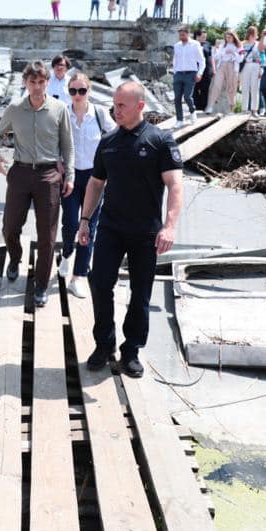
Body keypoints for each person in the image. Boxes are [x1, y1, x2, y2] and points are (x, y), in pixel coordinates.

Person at [77, 81, 184, 378]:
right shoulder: (108, 141)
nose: (116, 110)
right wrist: (85, 220)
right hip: (111, 227)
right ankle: (104, 344)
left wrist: (170, 226)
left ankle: (131, 350)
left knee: (140, 293)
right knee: (99, 284)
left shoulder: (160, 140)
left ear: (140, 106)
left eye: (122, 105)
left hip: (146, 232)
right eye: (114, 104)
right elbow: (96, 183)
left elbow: (175, 185)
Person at [0, 61, 74, 308]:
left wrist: (69, 175)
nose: (36, 87)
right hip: (20, 173)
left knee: (47, 235)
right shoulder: (15, 109)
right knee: (10, 226)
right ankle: (15, 259)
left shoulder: (59, 109)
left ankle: (40, 285)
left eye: (41, 82)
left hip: (48, 176)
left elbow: (68, 146)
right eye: (32, 82)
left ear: (48, 82)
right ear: (25, 82)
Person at [58, 73, 115, 299]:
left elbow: (115, 137)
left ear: (89, 91)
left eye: (82, 91)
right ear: (68, 92)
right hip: (70, 176)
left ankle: (79, 276)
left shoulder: (99, 114)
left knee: (89, 226)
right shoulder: (63, 113)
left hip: (95, 177)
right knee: (71, 222)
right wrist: (57, 161)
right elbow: (53, 139)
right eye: (73, 91)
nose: (78, 96)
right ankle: (66, 253)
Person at [171, 26, 205, 128]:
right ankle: (179, 120)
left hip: (191, 74)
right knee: (177, 98)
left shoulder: (195, 44)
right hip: (178, 74)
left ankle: (192, 110)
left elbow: (202, 60)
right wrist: (175, 71)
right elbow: (175, 59)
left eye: (183, 34)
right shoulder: (177, 45)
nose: (181, 36)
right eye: (180, 34)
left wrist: (199, 73)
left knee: (187, 96)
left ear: (188, 34)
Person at [206, 31, 241, 114]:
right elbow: (216, 56)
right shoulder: (223, 46)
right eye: (226, 37)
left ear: (234, 37)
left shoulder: (239, 46)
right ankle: (210, 106)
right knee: (216, 85)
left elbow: (241, 59)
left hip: (232, 66)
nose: (227, 39)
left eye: (229, 37)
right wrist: (216, 50)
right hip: (222, 66)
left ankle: (231, 109)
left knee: (231, 87)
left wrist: (233, 53)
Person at [239, 26, 262, 114]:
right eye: (254, 33)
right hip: (245, 65)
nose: (255, 35)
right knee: (245, 88)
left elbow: (262, 57)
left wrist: (261, 69)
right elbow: (239, 55)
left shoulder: (258, 44)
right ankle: (244, 109)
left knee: (255, 88)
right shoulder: (242, 43)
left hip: (256, 66)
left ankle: (254, 110)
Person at [193, 29, 214, 112]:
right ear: (197, 36)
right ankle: (197, 107)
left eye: (205, 37)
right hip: (194, 70)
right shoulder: (191, 44)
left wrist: (213, 69)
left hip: (206, 71)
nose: (204, 39)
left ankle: (204, 107)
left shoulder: (207, 44)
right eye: (203, 37)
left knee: (205, 90)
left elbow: (208, 53)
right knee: (194, 89)